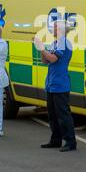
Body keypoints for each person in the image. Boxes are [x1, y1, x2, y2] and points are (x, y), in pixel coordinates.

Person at [34, 20, 77, 152]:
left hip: (60, 84)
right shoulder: (55, 43)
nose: (52, 29)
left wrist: (41, 47)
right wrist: (41, 49)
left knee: (63, 115)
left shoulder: (64, 42)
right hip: (52, 83)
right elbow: (45, 60)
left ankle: (70, 142)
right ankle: (55, 140)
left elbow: (53, 59)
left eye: (55, 27)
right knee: (52, 115)